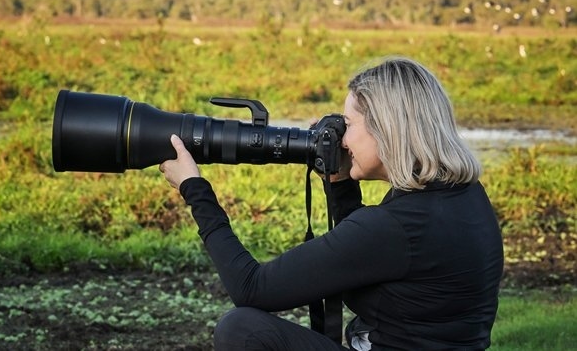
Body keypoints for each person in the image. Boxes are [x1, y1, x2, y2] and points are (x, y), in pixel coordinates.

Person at [159, 57, 504, 350]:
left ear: (386, 129)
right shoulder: (461, 194)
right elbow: (369, 260)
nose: (343, 137)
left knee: (242, 328)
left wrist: (195, 189)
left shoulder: (396, 226)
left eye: (349, 124)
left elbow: (251, 289)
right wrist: (340, 183)